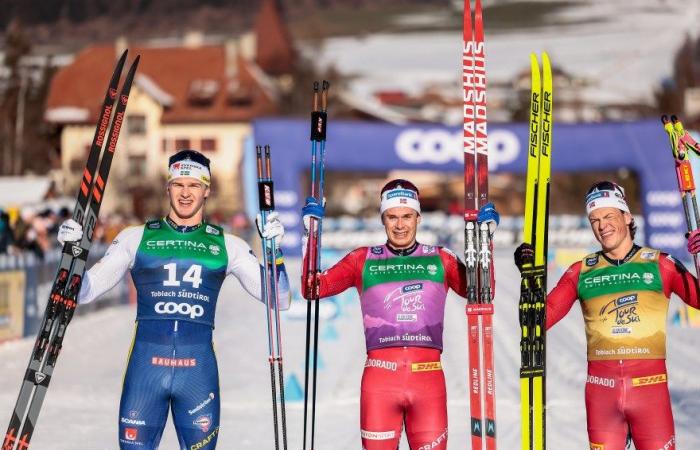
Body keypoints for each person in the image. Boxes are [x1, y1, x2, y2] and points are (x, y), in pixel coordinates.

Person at [57, 149, 289, 450]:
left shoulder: (226, 244)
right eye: (178, 184)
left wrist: (275, 253)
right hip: (145, 373)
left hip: (197, 374)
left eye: (194, 185)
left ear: (207, 190)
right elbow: (85, 291)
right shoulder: (135, 237)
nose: (185, 192)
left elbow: (279, 300)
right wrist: (71, 254)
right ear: (168, 187)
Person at [300, 179, 498, 450]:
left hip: (428, 383)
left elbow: (483, 293)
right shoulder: (363, 259)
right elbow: (313, 288)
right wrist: (311, 235)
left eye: (407, 216)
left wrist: (486, 241)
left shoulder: (441, 258)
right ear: (383, 219)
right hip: (380, 383)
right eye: (392, 217)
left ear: (418, 217)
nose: (400, 225)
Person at [514, 180, 700, 450]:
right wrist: (529, 277)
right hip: (602, 395)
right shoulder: (581, 271)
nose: (602, 226)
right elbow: (536, 323)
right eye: (595, 219)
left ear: (626, 217)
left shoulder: (660, 264)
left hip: (650, 394)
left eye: (609, 216)